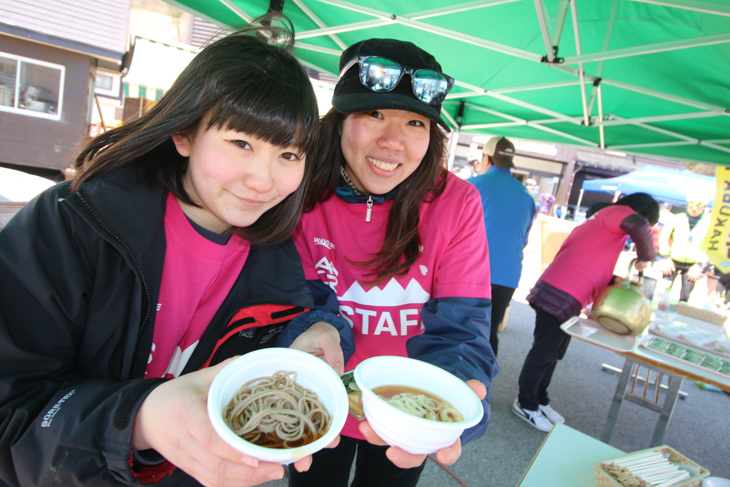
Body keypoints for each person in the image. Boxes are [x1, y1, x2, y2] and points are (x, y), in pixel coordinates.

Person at [0, 17, 354, 487]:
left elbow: (299, 318)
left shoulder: (277, 251)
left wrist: (317, 333)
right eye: (240, 143)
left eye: (288, 155)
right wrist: (141, 418)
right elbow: (11, 411)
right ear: (184, 134)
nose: (263, 180)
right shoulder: (73, 223)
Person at [281, 38, 498, 487]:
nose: (392, 141)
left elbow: (462, 324)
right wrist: (316, 339)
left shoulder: (457, 202)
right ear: (340, 118)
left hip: (404, 409)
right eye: (374, 113)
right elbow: (291, 299)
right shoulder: (297, 186)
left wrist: (451, 391)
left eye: (415, 122)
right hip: (320, 394)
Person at [514, 193, 659, 432]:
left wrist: (615, 279)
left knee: (554, 353)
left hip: (567, 294)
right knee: (544, 353)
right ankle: (525, 404)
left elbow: (591, 262)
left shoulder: (605, 222)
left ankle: (540, 399)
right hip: (559, 292)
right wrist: (647, 258)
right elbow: (640, 225)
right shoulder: (618, 213)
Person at [469, 136, 535, 356]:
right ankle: (484, 385)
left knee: (461, 329)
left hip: (475, 271)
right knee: (488, 332)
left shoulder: (474, 185)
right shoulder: (527, 196)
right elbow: (523, 239)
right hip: (508, 276)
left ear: (486, 158)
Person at [656, 193, 712, 302]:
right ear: (687, 204)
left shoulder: (708, 223)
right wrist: (666, 257)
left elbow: (709, 246)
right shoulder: (677, 218)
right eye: (691, 204)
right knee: (663, 293)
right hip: (672, 260)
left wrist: (699, 264)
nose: (694, 208)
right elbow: (663, 236)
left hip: (693, 264)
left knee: (685, 296)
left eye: (699, 205)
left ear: (704, 207)